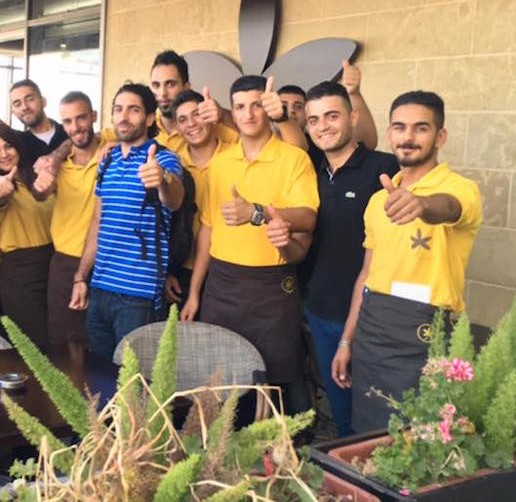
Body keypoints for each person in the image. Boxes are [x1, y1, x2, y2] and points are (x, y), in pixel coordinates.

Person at [331, 90, 482, 433]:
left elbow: (450, 207)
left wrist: (423, 206)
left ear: (440, 136)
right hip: (372, 327)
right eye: (400, 127)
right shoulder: (376, 202)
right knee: (367, 432)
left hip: (422, 330)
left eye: (421, 128)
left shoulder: (461, 189)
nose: (408, 137)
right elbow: (366, 274)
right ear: (389, 134)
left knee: (416, 436)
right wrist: (346, 340)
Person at [181, 75, 319, 414]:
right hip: (223, 286)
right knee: (223, 381)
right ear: (232, 112)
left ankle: (276, 457)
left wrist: (256, 212)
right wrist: (196, 292)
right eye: (240, 107)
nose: (249, 114)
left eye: (257, 105)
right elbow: (208, 230)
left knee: (273, 384)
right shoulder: (221, 162)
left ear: (268, 109)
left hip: (271, 288)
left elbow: (308, 217)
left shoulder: (294, 158)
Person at [298, 81, 398, 436]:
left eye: (332, 116)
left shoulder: (384, 169)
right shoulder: (307, 169)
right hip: (320, 311)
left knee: (378, 420)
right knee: (342, 417)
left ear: (353, 117)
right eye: (313, 119)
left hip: (370, 319)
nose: (322, 125)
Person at [70, 83, 184, 358]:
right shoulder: (107, 162)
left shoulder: (163, 159)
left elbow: (174, 199)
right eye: (118, 109)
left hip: (139, 295)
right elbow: (98, 221)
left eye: (133, 110)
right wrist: (81, 277)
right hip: (100, 289)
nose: (123, 116)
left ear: (148, 118)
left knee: (134, 383)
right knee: (99, 374)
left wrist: (162, 179)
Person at [0, 125, 54, 346]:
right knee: (31, 343)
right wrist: (1, 192)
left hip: (51, 264)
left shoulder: (37, 179)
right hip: (20, 271)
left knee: (53, 338)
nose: (3, 154)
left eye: (8, 146)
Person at [163, 89, 234, 309]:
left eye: (197, 114)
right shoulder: (171, 161)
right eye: (183, 119)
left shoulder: (237, 154)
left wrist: (225, 114)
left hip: (227, 267)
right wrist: (165, 272)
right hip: (181, 269)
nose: (191, 124)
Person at [44, 91, 101, 345]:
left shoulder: (112, 152)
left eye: (81, 118)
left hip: (104, 264)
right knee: (62, 342)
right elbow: (38, 192)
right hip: (63, 264)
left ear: (94, 116)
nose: (75, 127)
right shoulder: (58, 167)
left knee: (99, 343)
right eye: (67, 122)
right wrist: (51, 164)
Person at [276, 60, 378, 167]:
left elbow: (367, 144)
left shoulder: (320, 143)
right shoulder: (263, 143)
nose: (290, 111)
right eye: (283, 106)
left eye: (298, 106)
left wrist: (354, 94)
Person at [9, 79, 68, 164]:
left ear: (43, 102)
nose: (25, 107)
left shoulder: (68, 131)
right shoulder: (18, 142)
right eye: (18, 104)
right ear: (13, 112)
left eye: (30, 99)